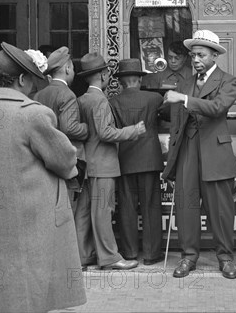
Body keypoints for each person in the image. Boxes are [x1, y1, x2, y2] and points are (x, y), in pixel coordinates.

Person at [0, 42, 86, 313]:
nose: (34, 87)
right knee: (32, 285)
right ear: (21, 79)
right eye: (32, 80)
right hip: (34, 215)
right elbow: (65, 160)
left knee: (3, 284)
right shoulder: (33, 114)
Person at [162, 30, 236, 280]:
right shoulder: (184, 83)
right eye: (193, 55)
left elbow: (217, 109)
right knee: (186, 206)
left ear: (214, 55)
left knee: (220, 209)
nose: (195, 59)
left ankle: (225, 258)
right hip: (188, 150)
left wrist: (184, 99)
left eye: (200, 55)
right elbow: (176, 122)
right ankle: (188, 257)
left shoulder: (229, 81)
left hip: (214, 151)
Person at [77, 53, 145, 271]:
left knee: (85, 212)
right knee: (104, 212)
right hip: (103, 166)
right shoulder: (100, 101)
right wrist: (133, 130)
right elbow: (106, 133)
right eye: (107, 73)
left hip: (88, 164)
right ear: (103, 74)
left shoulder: (83, 99)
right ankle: (109, 258)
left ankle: (82, 256)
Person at [34, 46, 96, 270]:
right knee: (70, 211)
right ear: (68, 68)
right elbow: (70, 128)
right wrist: (88, 128)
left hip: (45, 158)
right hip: (69, 159)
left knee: (50, 211)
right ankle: (70, 261)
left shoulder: (40, 94)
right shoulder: (67, 94)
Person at [110, 59, 165, 266]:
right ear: (140, 80)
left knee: (127, 207)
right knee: (151, 206)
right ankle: (152, 254)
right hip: (149, 159)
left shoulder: (113, 101)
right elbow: (169, 115)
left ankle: (130, 252)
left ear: (121, 82)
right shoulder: (154, 98)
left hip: (124, 158)